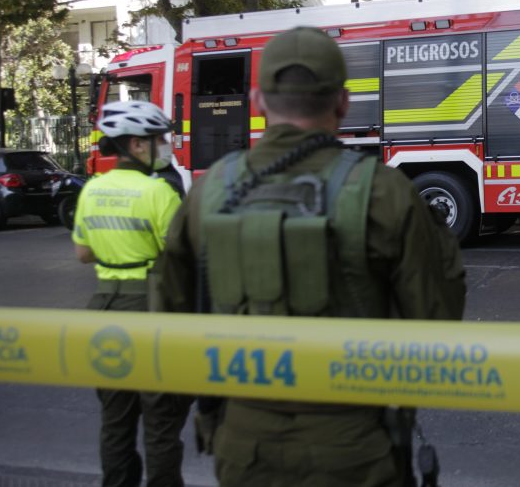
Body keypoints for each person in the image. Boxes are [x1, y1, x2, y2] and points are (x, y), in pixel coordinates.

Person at [155, 27, 466, 487]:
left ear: (257, 101)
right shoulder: (386, 192)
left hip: (242, 450)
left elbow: (167, 324)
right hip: (358, 453)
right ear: (343, 102)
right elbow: (437, 319)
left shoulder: (208, 191)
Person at [71, 100, 191, 487]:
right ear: (136, 144)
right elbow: (179, 256)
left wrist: (116, 249)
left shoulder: (92, 189)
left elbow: (83, 253)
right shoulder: (159, 192)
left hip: (104, 310)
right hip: (151, 308)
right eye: (159, 140)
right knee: (161, 423)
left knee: (115, 421)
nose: (165, 147)